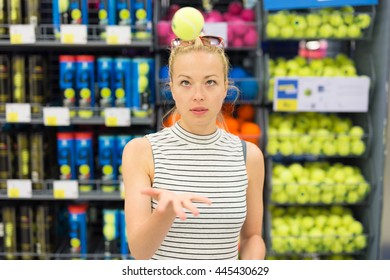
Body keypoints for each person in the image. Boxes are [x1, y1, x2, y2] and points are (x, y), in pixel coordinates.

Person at [122, 35, 266, 260]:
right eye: (185, 83)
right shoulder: (141, 152)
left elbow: (252, 237)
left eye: (210, 82)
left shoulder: (249, 156)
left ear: (226, 87)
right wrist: (164, 212)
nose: (198, 96)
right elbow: (140, 252)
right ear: (172, 88)